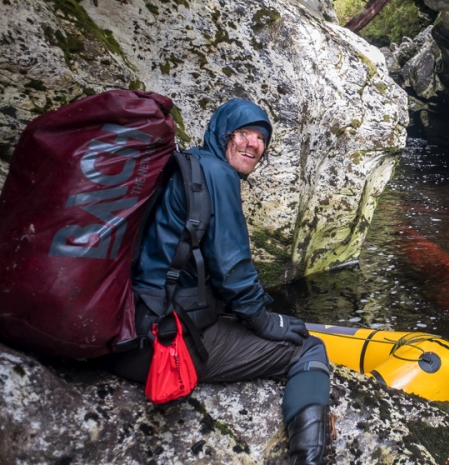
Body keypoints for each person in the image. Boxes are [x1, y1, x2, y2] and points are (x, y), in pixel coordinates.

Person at [104, 99, 331, 465]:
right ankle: (310, 459)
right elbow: (232, 269)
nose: (253, 144)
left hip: (126, 328)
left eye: (261, 138)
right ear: (222, 134)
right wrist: (264, 320)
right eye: (244, 133)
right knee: (308, 349)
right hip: (160, 345)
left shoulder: (186, 167)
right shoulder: (218, 175)